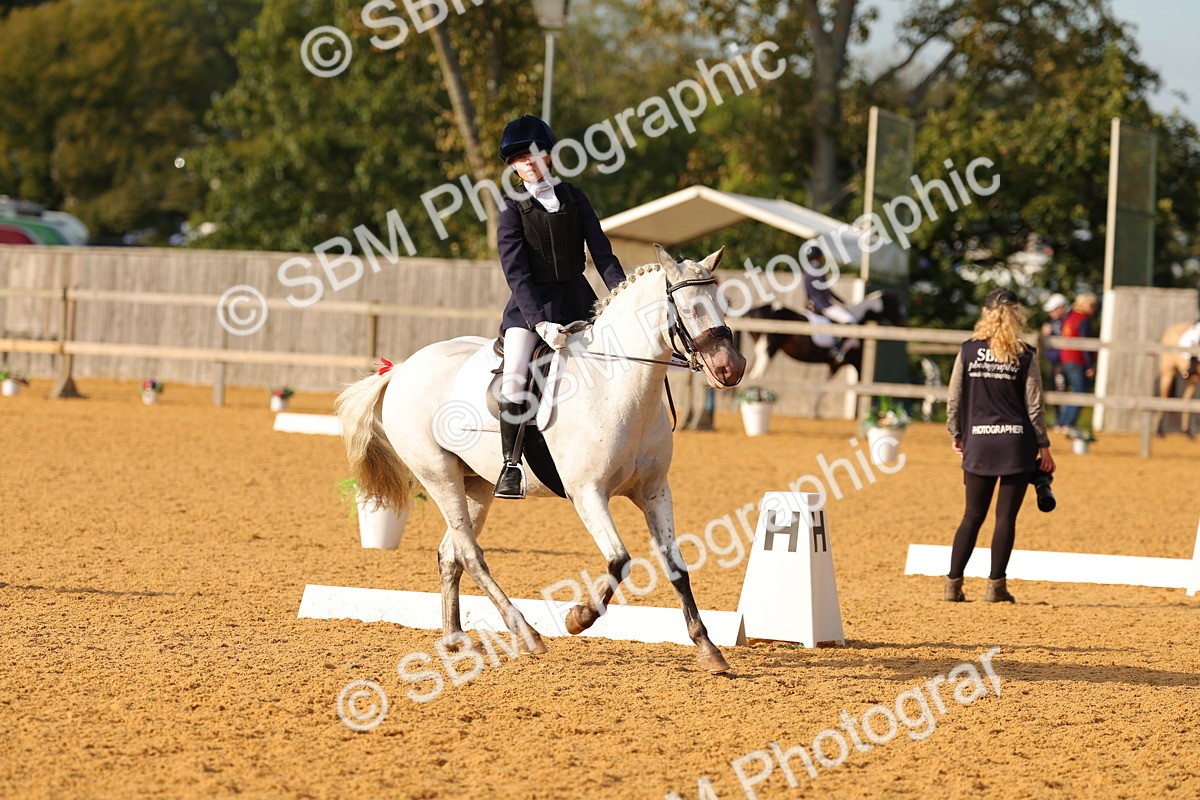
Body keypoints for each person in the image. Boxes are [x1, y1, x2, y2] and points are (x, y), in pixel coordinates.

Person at [493, 115, 627, 500]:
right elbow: (516, 274)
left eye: (534, 154)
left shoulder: (575, 198)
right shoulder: (511, 209)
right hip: (528, 308)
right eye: (519, 159)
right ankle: (510, 465)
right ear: (514, 166)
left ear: (548, 156)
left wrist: (620, 296)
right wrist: (539, 323)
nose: (528, 163)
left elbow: (603, 254)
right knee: (517, 375)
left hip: (580, 300)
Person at [944, 288, 1055, 604]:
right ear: (1016, 314)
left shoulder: (967, 351)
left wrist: (957, 434)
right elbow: (1034, 406)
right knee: (1005, 518)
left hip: (978, 440)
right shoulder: (1026, 354)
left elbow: (954, 398)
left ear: (985, 313)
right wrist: (1044, 446)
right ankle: (996, 587)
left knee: (972, 516)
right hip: (1016, 444)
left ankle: (953, 585)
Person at [801, 247, 859, 364]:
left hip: (810, 305)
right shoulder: (818, 270)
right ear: (819, 256)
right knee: (849, 319)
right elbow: (827, 292)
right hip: (822, 305)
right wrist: (842, 301)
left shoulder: (806, 272)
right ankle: (837, 348)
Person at [1054, 292, 1098, 431]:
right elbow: (1085, 344)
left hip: (1066, 358)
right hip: (1077, 360)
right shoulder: (1083, 319)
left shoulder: (1069, 318)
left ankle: (1061, 422)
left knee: (1074, 392)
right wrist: (1090, 365)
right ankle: (1067, 423)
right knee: (1080, 392)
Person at [1039, 293, 1069, 427]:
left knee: (1060, 390)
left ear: (1061, 308)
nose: (1051, 313)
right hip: (1053, 362)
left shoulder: (1065, 323)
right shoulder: (1055, 323)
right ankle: (1057, 420)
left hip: (1061, 362)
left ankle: (1062, 421)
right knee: (1053, 389)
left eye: (1053, 310)